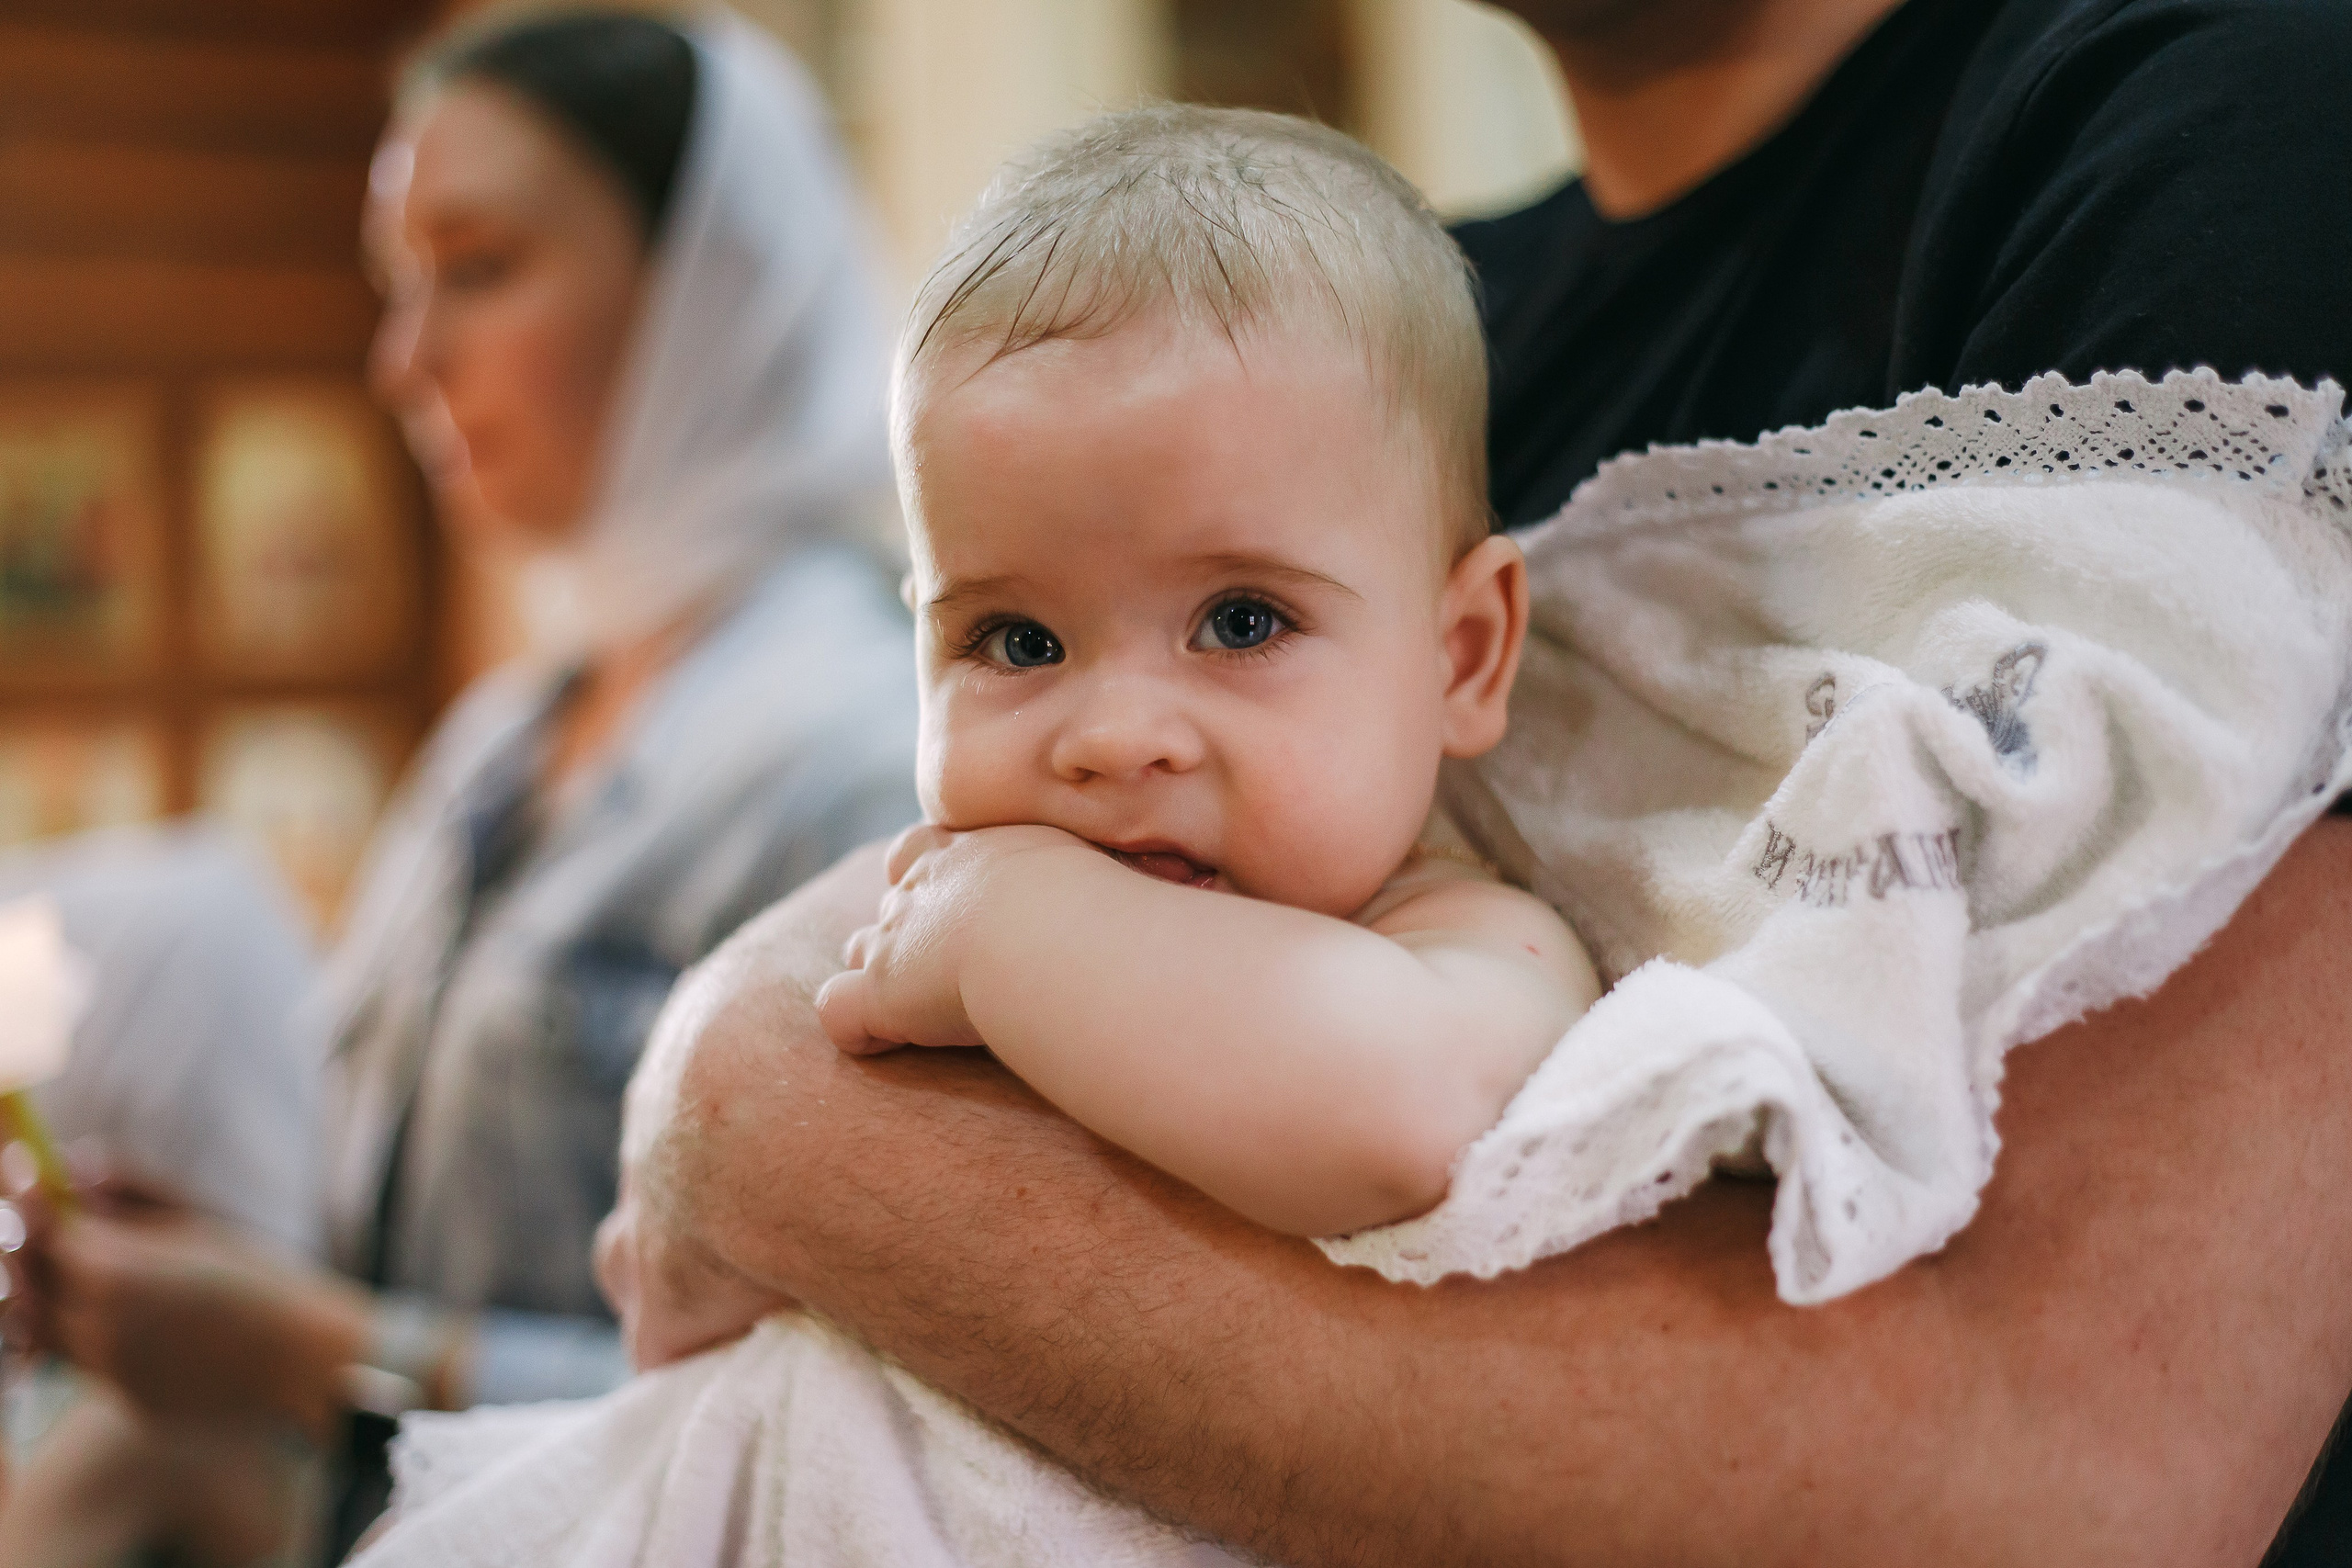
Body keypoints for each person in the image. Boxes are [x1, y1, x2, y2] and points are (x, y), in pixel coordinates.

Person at [590, 0, 2352, 1563]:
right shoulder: (1380, 315)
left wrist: (791, 1098)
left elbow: (2032, 1490)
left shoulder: (2222, 130)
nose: (1114, 738)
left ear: (1466, 658)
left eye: (1244, 620)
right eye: (1013, 643)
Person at [0, 9, 917, 1562]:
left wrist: (312, 1353)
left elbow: (860, 1418)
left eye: (477, 268)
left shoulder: (855, 753)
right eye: (396, 286)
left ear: (713, 282)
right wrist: (196, 1275)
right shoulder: (507, 733)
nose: (405, 358)